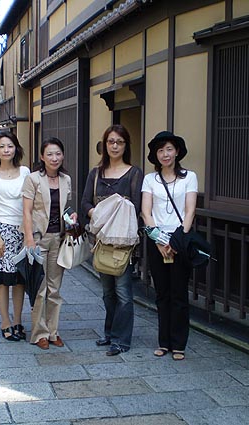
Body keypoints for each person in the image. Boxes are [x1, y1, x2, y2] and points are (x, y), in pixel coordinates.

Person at [81, 124, 143, 356]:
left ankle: (122, 339)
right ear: (104, 145)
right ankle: (109, 333)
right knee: (107, 292)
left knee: (124, 293)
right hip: (100, 241)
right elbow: (85, 202)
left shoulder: (135, 174)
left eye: (119, 142)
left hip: (123, 244)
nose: (114, 146)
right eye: (111, 142)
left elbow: (136, 207)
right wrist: (99, 214)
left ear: (126, 145)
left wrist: (113, 215)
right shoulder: (96, 173)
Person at [141, 131, 198, 361]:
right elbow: (146, 211)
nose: (165, 154)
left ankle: (179, 344)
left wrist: (176, 242)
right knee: (162, 293)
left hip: (180, 241)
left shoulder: (189, 177)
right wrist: (159, 240)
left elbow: (190, 211)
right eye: (161, 150)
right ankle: (163, 342)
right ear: (155, 155)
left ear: (177, 152)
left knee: (179, 294)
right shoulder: (149, 179)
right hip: (157, 242)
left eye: (169, 149)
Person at [22, 137, 77, 350]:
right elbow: (26, 211)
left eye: (58, 154)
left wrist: (71, 219)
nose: (54, 158)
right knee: (40, 288)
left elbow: (64, 209)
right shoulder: (33, 179)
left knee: (55, 288)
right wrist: (29, 239)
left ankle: (53, 332)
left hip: (59, 238)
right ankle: (39, 333)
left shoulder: (66, 179)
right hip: (38, 238)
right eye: (50, 154)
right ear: (42, 157)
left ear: (63, 156)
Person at [0, 131, 30, 341]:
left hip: (22, 230)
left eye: (9, 146)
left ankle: (18, 320)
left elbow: (30, 203)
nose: (6, 150)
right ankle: (5, 321)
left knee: (19, 280)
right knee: (3, 280)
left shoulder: (26, 172)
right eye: (1, 146)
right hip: (1, 229)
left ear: (16, 148)